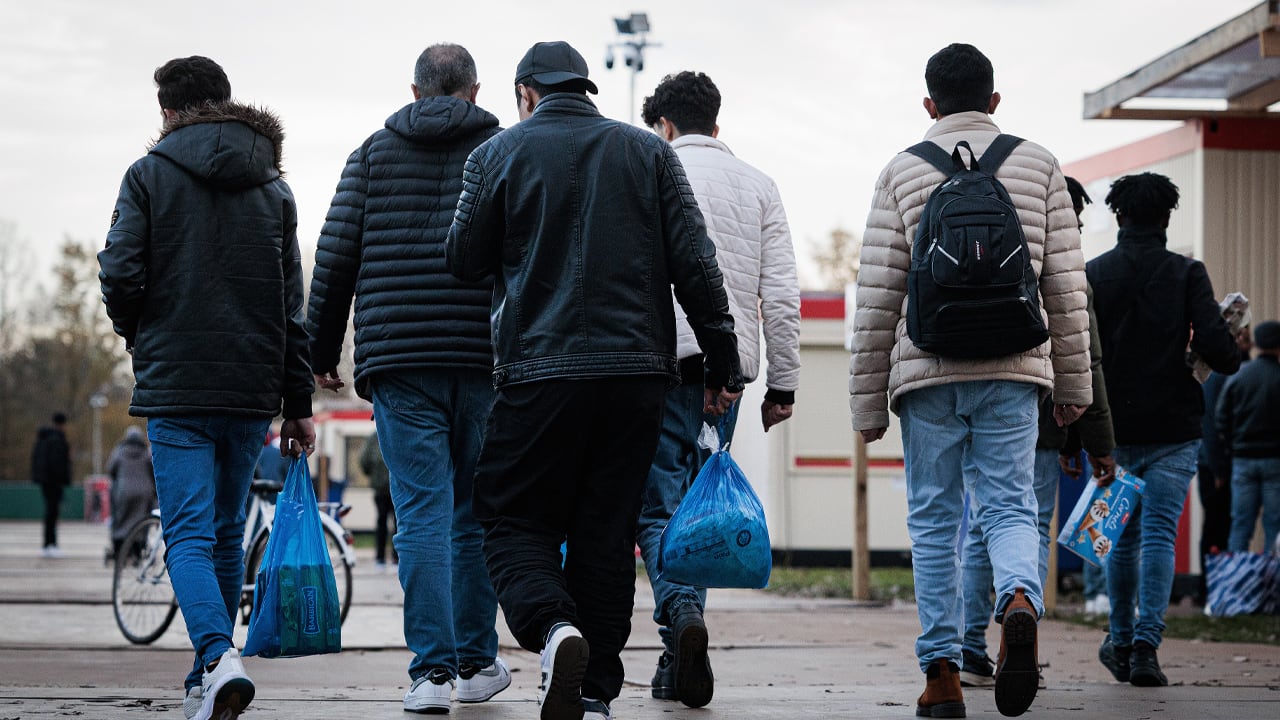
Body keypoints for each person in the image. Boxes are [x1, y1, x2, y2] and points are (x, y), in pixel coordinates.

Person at [446, 41, 743, 720]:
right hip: (636, 377)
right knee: (607, 532)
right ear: (585, 88)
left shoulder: (498, 154)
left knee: (510, 519)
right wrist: (723, 361)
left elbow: (461, 258)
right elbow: (697, 263)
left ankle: (555, 630)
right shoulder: (650, 153)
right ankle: (597, 690)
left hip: (537, 374)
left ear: (526, 92)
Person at [849, 43, 1091, 718]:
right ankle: (1017, 598)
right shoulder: (1038, 164)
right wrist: (1073, 387)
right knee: (1011, 505)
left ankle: (943, 675)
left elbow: (877, 295)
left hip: (927, 371)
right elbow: (1067, 288)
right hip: (1015, 367)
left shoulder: (900, 171)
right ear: (994, 101)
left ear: (928, 105)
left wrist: (867, 403)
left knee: (934, 517)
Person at [98, 56, 315, 720]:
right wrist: (298, 404)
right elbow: (291, 309)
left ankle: (219, 656)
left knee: (188, 534)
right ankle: (205, 679)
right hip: (250, 389)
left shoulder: (149, 176)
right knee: (223, 532)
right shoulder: (273, 189)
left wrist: (140, 333)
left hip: (179, 386)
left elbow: (119, 271)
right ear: (225, 102)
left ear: (168, 111)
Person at [304, 43, 509, 714]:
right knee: (474, 512)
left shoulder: (371, 154)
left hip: (401, 359)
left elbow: (335, 257)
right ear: (475, 92)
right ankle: (478, 662)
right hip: (485, 358)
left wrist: (321, 350)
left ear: (414, 92)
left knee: (420, 514)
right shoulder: (505, 149)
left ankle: (433, 675)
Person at [635, 70, 801, 709]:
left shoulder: (649, 170)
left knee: (658, 508)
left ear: (666, 126)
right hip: (725, 379)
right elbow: (781, 296)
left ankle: (679, 621)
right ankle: (680, 648)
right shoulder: (759, 186)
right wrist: (781, 384)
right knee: (701, 507)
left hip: (655, 367)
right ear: (717, 122)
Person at [958, 176, 1115, 689]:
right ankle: (1015, 638)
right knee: (1024, 526)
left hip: (970, 405)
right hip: (1042, 421)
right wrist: (1095, 444)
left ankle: (965, 642)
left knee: (980, 525)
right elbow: (1084, 362)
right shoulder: (1070, 274)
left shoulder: (993, 251)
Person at [1087, 172, 1241, 687]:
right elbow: (1222, 355)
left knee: (1119, 539)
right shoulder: (1187, 273)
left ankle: (1122, 641)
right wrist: (1225, 337)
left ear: (1118, 216)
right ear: (1167, 218)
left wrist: (1077, 435)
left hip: (1114, 430)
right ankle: (1148, 647)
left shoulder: (1094, 274)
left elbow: (1080, 357)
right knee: (1157, 536)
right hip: (1175, 425)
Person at [1217, 320, 1280, 552]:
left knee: (1241, 525)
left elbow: (1221, 417)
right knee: (1274, 524)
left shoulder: (1239, 376)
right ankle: (1273, 583)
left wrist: (1233, 444)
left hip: (1243, 460)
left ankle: (1237, 584)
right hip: (1275, 460)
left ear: (1257, 344)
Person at [1199, 322, 1253, 564]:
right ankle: (1212, 588)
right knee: (1217, 525)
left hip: (1216, 461)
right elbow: (1210, 422)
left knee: (1220, 524)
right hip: (1216, 464)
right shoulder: (1223, 371)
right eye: (1242, 335)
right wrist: (1218, 468)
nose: (1246, 341)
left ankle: (1212, 588)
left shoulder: (1228, 369)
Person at [106, 425, 156, 558]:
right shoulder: (147, 452)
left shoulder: (119, 451)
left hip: (124, 490)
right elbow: (153, 472)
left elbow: (110, 469)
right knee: (141, 520)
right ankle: (138, 550)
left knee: (121, 519)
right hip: (144, 491)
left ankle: (120, 550)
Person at [30, 412, 72, 558]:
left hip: (45, 481)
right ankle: (51, 544)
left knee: (50, 513)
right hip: (54, 482)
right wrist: (62, 480)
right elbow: (58, 464)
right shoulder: (56, 440)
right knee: (52, 514)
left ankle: (48, 545)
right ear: (62, 424)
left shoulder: (43, 438)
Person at [358, 430, 397, 569]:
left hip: (381, 487)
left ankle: (381, 558)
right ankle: (394, 558)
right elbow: (364, 461)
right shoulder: (394, 433)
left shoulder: (374, 438)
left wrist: (373, 475)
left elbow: (364, 460)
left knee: (382, 522)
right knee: (396, 523)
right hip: (393, 488)